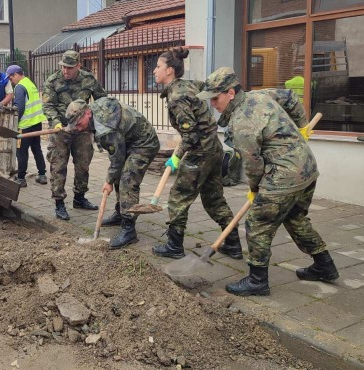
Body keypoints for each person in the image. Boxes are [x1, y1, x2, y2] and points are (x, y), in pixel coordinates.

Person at [197, 67, 338, 296]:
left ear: (230, 93)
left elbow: (253, 166)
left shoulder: (242, 122)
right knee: (294, 218)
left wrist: (255, 190)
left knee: (258, 223)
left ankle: (257, 280)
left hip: (284, 175)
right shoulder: (259, 95)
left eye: (215, 98)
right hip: (307, 167)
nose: (213, 103)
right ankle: (325, 265)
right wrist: (301, 127)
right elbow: (290, 98)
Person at [149, 47, 242, 260]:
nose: (155, 71)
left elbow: (190, 135)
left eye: (158, 66)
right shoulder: (189, 85)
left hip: (199, 153)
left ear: (170, 70)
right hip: (214, 149)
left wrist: (176, 156)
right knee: (214, 199)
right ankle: (233, 243)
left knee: (178, 198)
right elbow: (205, 90)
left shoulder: (177, 97)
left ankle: (174, 246)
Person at [65, 98, 160, 249]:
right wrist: (112, 177)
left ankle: (129, 229)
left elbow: (117, 160)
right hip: (128, 140)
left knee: (127, 181)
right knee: (117, 176)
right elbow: (117, 156)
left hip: (143, 143)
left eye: (78, 123)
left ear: (87, 113)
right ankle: (119, 213)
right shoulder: (95, 111)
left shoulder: (106, 129)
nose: (77, 128)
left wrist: (108, 181)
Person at [42, 50, 107, 220]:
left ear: (78, 65)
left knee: (83, 165)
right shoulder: (53, 81)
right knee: (58, 166)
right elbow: (48, 106)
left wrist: (92, 119)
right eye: (63, 67)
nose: (66, 71)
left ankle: (79, 198)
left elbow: (102, 100)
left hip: (82, 130)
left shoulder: (88, 79)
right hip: (60, 130)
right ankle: (59, 203)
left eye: (70, 67)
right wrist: (55, 122)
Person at [6, 64, 48, 187]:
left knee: (21, 152)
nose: (10, 80)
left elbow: (20, 107)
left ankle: (21, 178)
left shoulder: (19, 87)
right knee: (37, 149)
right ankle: (42, 175)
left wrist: (15, 124)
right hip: (36, 123)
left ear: (16, 75)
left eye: (10, 77)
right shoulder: (30, 83)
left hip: (25, 126)